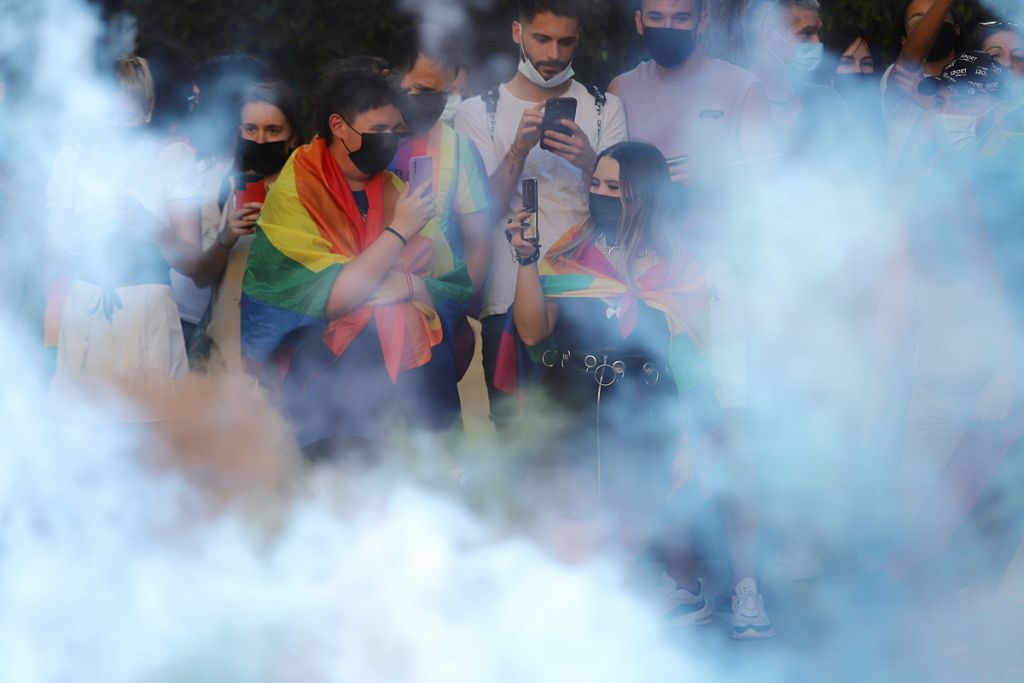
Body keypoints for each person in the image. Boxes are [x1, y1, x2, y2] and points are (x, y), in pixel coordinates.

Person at [505, 141, 772, 639]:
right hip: (586, 396)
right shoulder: (571, 249)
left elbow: (694, 354)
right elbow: (534, 332)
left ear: (645, 195)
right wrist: (526, 259)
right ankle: (639, 597)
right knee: (584, 504)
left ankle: (735, 588)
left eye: (616, 189)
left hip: (659, 398)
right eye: (597, 185)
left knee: (716, 472)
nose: (601, 196)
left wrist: (695, 430)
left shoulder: (679, 263)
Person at [241, 66, 473, 460]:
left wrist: (413, 287)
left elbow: (452, 287)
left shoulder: (397, 189)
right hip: (324, 394)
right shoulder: (297, 187)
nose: (390, 141)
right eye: (378, 129)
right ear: (339, 126)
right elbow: (331, 298)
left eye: (396, 130)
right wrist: (398, 233)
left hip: (408, 394)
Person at [455, 0, 628, 431]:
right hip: (508, 299)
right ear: (517, 33)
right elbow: (478, 217)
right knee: (517, 440)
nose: (553, 54)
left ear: (579, 39)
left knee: (595, 437)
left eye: (566, 41)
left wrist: (591, 160)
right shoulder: (478, 112)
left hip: (592, 296)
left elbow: (629, 208)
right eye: (542, 39)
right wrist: (516, 150)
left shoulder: (606, 108)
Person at [46, 56, 206, 408]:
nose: (117, 126)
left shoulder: (172, 160)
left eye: (128, 115)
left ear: (148, 108)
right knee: (83, 428)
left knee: (151, 434)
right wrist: (88, 226)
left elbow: (194, 264)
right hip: (86, 307)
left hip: (147, 310)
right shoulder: (72, 161)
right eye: (108, 115)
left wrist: (150, 225)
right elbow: (54, 251)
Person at [194, 79, 304, 372]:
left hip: (288, 359)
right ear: (238, 132)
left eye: (273, 130)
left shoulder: (310, 187)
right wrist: (226, 237)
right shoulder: (218, 187)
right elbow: (201, 275)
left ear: (292, 136)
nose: (261, 140)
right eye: (251, 129)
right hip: (224, 356)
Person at [609, 0, 773, 186]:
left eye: (681, 18)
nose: (667, 28)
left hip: (720, 214)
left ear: (701, 22)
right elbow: (608, 177)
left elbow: (769, 181)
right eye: (656, 17)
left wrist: (722, 174)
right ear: (639, 22)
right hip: (644, 216)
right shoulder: (622, 88)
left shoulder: (744, 88)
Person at [388, 24, 492, 297]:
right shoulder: (355, 137)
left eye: (442, 95)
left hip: (434, 316)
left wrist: (450, 304)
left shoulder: (459, 150)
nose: (432, 102)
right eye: (422, 90)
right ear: (391, 79)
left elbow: (479, 244)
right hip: (356, 311)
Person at [741, 0, 852, 162]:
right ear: (767, 39)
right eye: (806, 34)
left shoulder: (829, 102)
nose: (817, 43)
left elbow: (855, 171)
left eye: (817, 33)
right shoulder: (731, 101)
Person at [882, 0, 960, 174]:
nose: (933, 26)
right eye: (918, 22)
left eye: (939, 17)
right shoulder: (894, 76)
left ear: (956, 29)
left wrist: (934, 104)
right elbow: (907, 61)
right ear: (904, 40)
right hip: (904, 197)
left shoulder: (973, 82)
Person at [822, 24, 886, 152]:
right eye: (846, 63)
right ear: (829, 72)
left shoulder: (885, 120)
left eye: (867, 63)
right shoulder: (814, 123)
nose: (858, 70)